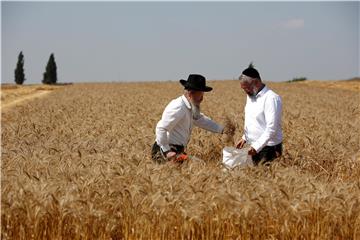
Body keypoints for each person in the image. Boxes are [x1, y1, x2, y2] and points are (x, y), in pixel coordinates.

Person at [152, 74, 224, 163]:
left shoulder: (189, 107)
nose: (202, 99)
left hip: (176, 150)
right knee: (198, 165)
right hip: (164, 151)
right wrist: (167, 151)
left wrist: (222, 130)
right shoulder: (179, 107)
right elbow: (161, 127)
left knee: (198, 164)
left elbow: (200, 120)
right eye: (200, 95)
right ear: (190, 94)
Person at [236, 64, 283, 165]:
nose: (245, 92)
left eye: (246, 88)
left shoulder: (271, 99)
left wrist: (256, 147)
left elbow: (272, 128)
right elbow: (253, 120)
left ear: (256, 82)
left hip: (269, 149)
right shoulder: (251, 95)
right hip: (253, 146)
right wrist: (245, 137)